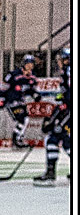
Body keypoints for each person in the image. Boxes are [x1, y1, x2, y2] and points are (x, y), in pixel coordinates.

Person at [35, 44, 70, 186]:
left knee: (55, 137)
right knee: (62, 138)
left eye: (61, 59)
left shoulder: (69, 71)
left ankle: (50, 173)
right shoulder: (66, 72)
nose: (59, 62)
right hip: (67, 110)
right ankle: (50, 171)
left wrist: (61, 111)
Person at [0, 52, 39, 149]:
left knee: (25, 119)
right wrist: (1, 99)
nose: (29, 66)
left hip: (21, 101)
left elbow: (30, 90)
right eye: (27, 63)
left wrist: (36, 95)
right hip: (11, 101)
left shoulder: (32, 77)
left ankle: (18, 139)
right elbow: (3, 87)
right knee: (23, 118)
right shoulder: (14, 74)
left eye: (31, 64)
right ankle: (17, 139)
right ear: (23, 64)